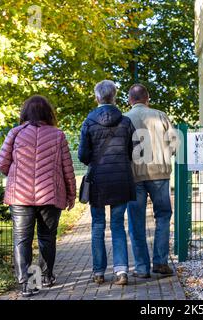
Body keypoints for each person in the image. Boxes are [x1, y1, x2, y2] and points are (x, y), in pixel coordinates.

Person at [0, 95, 76, 298]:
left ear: (25, 113)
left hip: (20, 196)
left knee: (21, 240)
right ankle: (45, 277)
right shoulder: (58, 135)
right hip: (50, 195)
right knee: (46, 238)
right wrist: (71, 195)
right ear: (48, 113)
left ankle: (26, 284)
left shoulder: (15, 133)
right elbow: (68, 168)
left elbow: (2, 163)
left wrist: (16, 174)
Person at [78, 80, 136, 285]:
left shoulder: (89, 122)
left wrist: (95, 160)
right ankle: (122, 272)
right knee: (118, 225)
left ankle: (99, 272)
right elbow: (132, 152)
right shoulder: (126, 121)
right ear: (114, 97)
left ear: (97, 97)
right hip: (121, 179)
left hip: (98, 182)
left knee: (98, 225)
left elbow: (83, 155)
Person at [125, 84, 178, 278]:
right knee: (163, 216)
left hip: (134, 176)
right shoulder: (161, 116)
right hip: (160, 174)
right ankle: (161, 262)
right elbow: (174, 144)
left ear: (130, 100)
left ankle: (141, 267)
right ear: (148, 99)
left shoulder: (125, 118)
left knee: (136, 222)